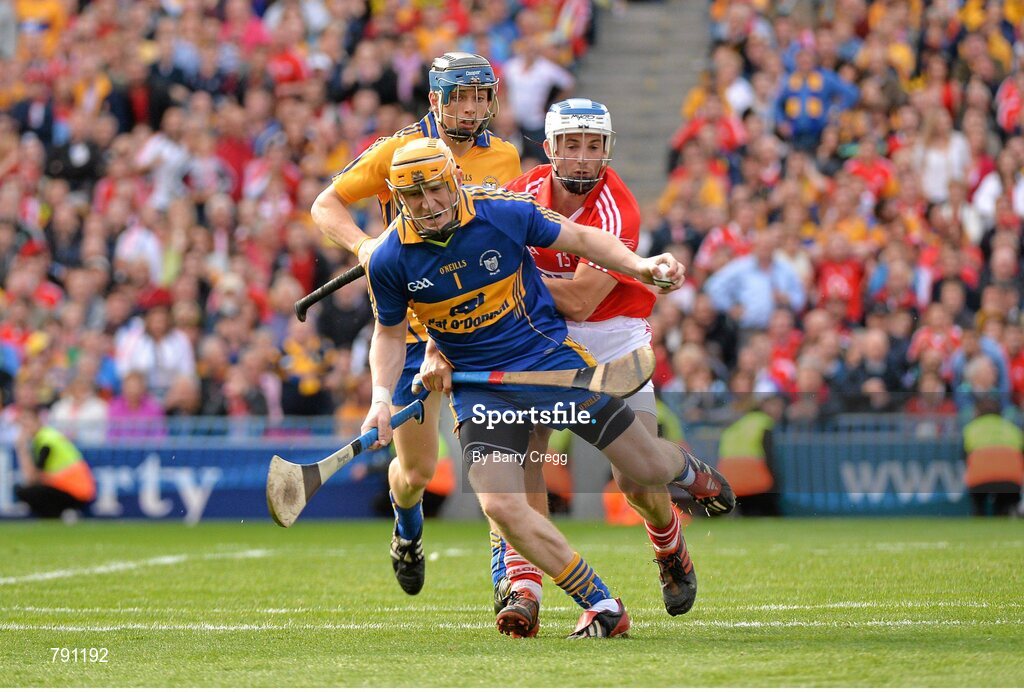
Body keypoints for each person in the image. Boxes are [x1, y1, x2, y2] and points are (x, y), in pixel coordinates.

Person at [363, 138, 716, 638]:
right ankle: (601, 604)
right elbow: (390, 334)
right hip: (481, 391)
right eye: (414, 198)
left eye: (437, 190)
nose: (429, 206)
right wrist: (382, 394)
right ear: (399, 200)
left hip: (549, 364)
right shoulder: (390, 257)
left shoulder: (502, 214)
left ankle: (686, 467)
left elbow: (584, 239)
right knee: (501, 503)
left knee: (645, 471)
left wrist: (640, 267)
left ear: (454, 181)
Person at [496, 98, 735, 632]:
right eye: (572, 146)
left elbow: (581, 300)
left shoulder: (616, 206)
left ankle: (670, 537)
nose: (583, 158)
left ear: (607, 149)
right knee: (525, 454)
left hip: (612, 336)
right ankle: (525, 587)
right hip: (543, 334)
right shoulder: (519, 193)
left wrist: (504, 284)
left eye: (594, 146)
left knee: (637, 480)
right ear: (550, 148)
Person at [310, 52, 525, 597]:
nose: (473, 108)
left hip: (482, 330)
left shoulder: (504, 157)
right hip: (412, 330)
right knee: (417, 473)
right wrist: (363, 247)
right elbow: (325, 204)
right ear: (436, 99)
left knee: (496, 464)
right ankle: (407, 529)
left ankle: (508, 577)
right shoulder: (395, 152)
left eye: (481, 96)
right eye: (461, 96)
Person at [14, 406, 96, 519]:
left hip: (74, 490)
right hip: (72, 489)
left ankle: (60, 514)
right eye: (22, 423)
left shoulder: (46, 440)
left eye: (28, 421)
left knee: (25, 491)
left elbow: (33, 478)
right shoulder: (47, 436)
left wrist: (21, 448)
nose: (25, 427)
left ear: (38, 421)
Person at [962, 394, 1023, 517]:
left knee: (978, 506)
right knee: (1004, 507)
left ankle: (979, 517)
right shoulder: (1013, 428)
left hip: (979, 479)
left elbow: (965, 457)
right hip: (1010, 479)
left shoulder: (970, 428)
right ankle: (1004, 515)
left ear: (977, 412)